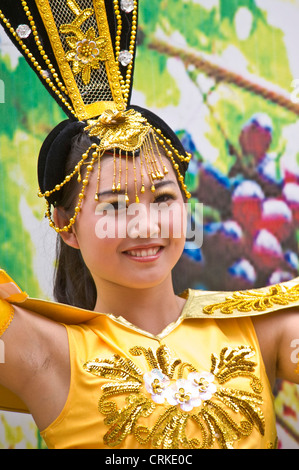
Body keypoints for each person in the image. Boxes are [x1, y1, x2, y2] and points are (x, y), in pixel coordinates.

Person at [1, 0, 299, 450]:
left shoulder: (261, 326)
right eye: (115, 205)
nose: (145, 224)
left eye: (163, 198)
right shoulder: (43, 350)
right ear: (66, 226)